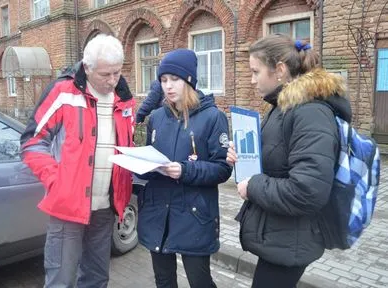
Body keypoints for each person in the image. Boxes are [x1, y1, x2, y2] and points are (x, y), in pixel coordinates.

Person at [226, 33, 351, 288]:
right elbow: (278, 162)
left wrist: (253, 186)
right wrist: (243, 159)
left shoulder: (310, 112)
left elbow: (308, 190)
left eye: (255, 72)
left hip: (292, 240)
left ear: (280, 70)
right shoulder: (284, 107)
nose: (251, 80)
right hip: (279, 234)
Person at [20, 34, 135, 288]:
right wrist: (56, 180)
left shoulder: (124, 98)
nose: (113, 80)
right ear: (87, 67)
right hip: (68, 208)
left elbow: (125, 144)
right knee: (61, 280)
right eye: (106, 74)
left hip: (106, 209)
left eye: (117, 72)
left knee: (97, 279)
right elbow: (31, 141)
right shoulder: (63, 92)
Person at [136, 48, 233, 288]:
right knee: (164, 280)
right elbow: (152, 157)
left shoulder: (212, 117)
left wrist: (185, 170)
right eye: (164, 80)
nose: (168, 86)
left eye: (175, 79)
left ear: (189, 80)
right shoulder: (157, 117)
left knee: (199, 281)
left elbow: (222, 169)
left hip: (193, 213)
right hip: (159, 212)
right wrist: (139, 165)